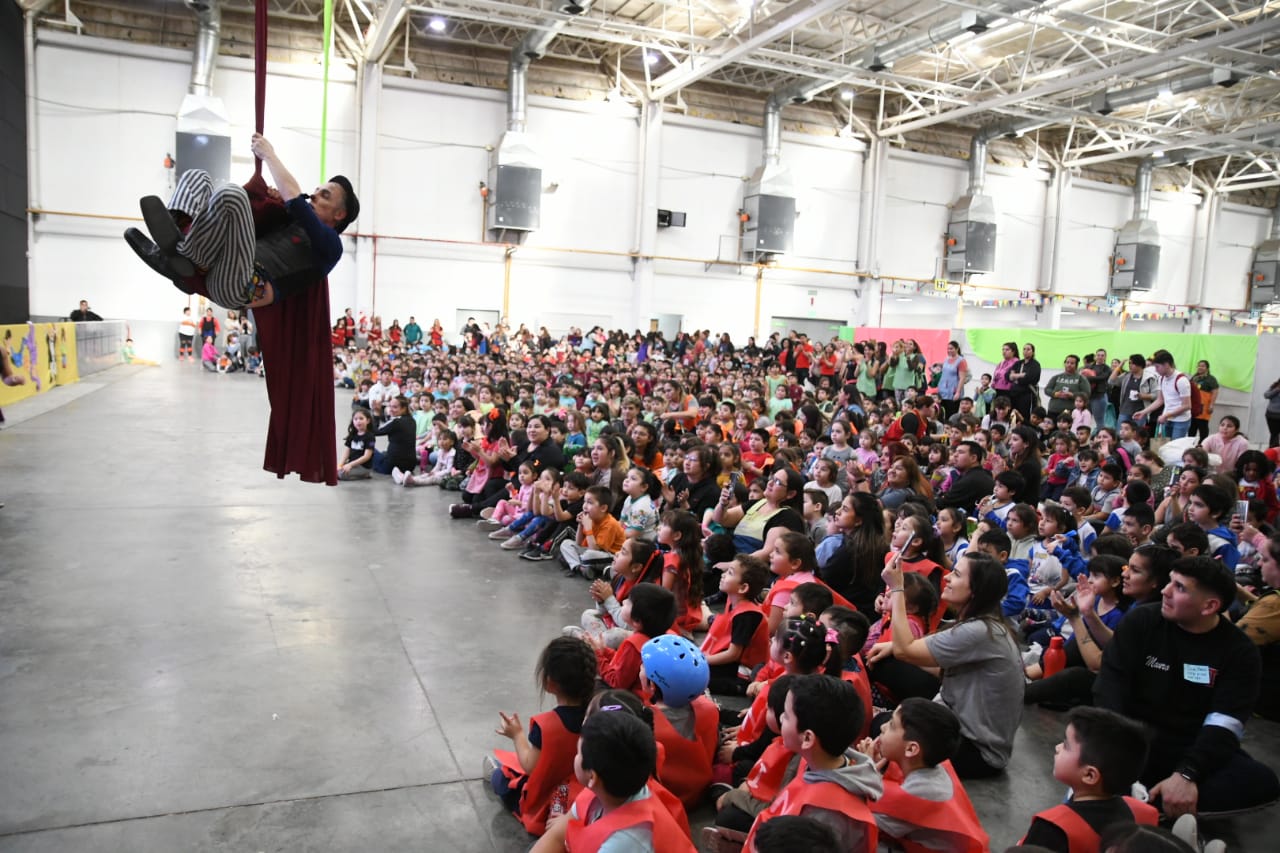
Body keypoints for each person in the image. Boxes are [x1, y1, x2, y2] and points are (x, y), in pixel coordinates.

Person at [125, 134, 359, 486]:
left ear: (338, 215)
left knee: (230, 196)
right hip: (225, 263)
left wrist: (271, 155)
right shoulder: (290, 219)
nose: (314, 195)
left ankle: (181, 259)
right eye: (318, 190)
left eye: (324, 196)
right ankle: (179, 248)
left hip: (245, 284)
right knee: (200, 179)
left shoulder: (330, 246)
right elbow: (268, 202)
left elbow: (293, 196)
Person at [1094, 555, 1280, 817]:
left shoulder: (1239, 651)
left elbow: (1225, 723)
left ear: (1209, 606)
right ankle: (1148, 811)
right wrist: (1117, 752)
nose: (1165, 591)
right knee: (1091, 759)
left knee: (1261, 781)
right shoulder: (1142, 622)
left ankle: (1148, 810)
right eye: (1170, 582)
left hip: (1190, 745)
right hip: (1132, 737)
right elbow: (1109, 687)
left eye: (1179, 587)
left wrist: (1188, 773)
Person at [869, 551, 1024, 778]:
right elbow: (932, 662)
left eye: (957, 574)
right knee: (887, 675)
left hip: (978, 752)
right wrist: (894, 647)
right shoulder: (983, 625)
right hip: (963, 728)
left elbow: (906, 649)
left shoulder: (979, 631)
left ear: (975, 591)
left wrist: (897, 588)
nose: (948, 577)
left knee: (881, 723)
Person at [743, 674, 884, 852]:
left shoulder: (825, 816)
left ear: (808, 738)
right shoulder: (820, 760)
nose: (780, 719)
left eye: (786, 716)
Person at [531, 711, 695, 853]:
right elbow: (557, 837)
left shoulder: (625, 841)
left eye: (578, 752)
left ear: (591, 776)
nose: (575, 756)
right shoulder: (608, 786)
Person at [488, 636, 597, 836]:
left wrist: (517, 735)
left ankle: (496, 770)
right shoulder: (600, 714)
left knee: (501, 778)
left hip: (547, 798)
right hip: (585, 794)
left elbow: (531, 766)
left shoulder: (546, 725)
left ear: (550, 683)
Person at [1019, 707, 1158, 851]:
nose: (1057, 747)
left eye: (1066, 746)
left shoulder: (1052, 830)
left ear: (1090, 775)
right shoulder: (1136, 816)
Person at [859, 698, 988, 853]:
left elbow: (864, 820)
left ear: (912, 749)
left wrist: (864, 771)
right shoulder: (936, 765)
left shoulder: (916, 795)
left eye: (892, 725)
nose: (883, 727)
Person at [641, 635, 717, 809]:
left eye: (643, 666)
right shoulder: (709, 709)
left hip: (663, 801)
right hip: (699, 794)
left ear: (651, 685)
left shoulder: (644, 722)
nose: (640, 666)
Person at [1136, 350, 1192, 440]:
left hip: (1180, 420)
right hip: (1167, 418)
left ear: (1166, 365)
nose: (1156, 370)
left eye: (1157, 367)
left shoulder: (1181, 380)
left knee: (1176, 448)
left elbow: (1187, 406)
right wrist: (1144, 412)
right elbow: (1160, 400)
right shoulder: (1161, 379)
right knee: (1166, 447)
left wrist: (1166, 415)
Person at [935, 440, 994, 516]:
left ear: (973, 458)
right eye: (955, 452)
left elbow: (942, 503)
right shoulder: (980, 474)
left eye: (960, 452)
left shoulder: (971, 480)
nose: (955, 455)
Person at [1045, 354, 1091, 419]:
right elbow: (1047, 389)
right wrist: (1055, 394)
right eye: (1067, 362)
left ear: (1076, 365)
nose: (1069, 365)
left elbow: (1086, 393)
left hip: (1071, 411)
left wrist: (1072, 395)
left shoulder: (1081, 378)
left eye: (1072, 363)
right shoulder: (1056, 377)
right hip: (1054, 410)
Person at [1007, 342, 1042, 421]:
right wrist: (1021, 375)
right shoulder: (1018, 363)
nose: (1026, 351)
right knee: (1012, 414)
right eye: (1024, 349)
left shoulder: (1035, 365)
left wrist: (1015, 376)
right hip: (1014, 394)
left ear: (1033, 352)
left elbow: (1030, 378)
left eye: (1028, 349)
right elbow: (1008, 376)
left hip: (1027, 394)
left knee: (1024, 415)